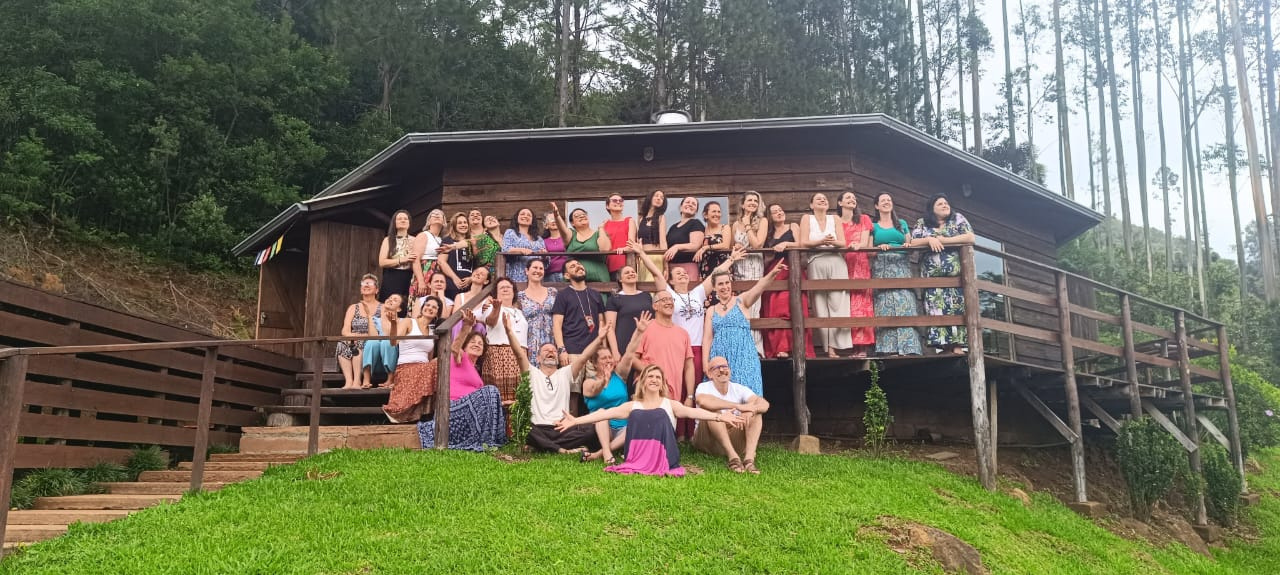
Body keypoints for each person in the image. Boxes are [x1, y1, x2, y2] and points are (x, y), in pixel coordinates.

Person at [554, 364, 743, 477]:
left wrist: (720, 416)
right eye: (650, 376)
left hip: (665, 456)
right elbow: (604, 414)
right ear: (643, 381)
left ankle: (652, 461)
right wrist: (576, 421)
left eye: (658, 377)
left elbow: (694, 412)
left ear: (662, 383)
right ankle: (636, 460)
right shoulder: (633, 405)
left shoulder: (670, 404)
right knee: (636, 414)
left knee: (659, 414)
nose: (654, 380)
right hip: (636, 456)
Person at [637, 244, 741, 440]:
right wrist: (641, 253)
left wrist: (732, 259)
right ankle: (677, 432)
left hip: (698, 346)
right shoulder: (669, 294)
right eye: (678, 273)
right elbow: (656, 273)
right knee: (678, 388)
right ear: (671, 280)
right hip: (677, 346)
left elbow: (714, 275)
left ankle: (693, 431)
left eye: (685, 272)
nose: (683, 274)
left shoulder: (698, 293)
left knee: (694, 389)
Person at [416, 309, 507, 451]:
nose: (477, 344)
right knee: (491, 390)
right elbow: (454, 347)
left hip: (470, 413)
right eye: (473, 342)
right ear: (465, 346)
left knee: (493, 394)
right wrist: (466, 326)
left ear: (483, 350)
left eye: (480, 343)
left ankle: (487, 441)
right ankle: (487, 441)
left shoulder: (476, 373)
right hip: (452, 409)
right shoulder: (460, 357)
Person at [521, 314, 611, 453]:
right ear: (538, 358)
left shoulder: (565, 373)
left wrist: (599, 338)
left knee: (593, 429)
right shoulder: (532, 372)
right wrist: (509, 332)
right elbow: (519, 355)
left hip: (562, 428)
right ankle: (562, 449)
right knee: (526, 429)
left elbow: (583, 357)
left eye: (554, 350)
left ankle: (542, 446)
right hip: (539, 427)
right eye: (546, 350)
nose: (551, 352)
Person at [702, 262, 787, 396]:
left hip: (743, 355)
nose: (725, 287)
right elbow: (707, 338)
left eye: (727, 283)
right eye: (720, 284)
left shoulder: (741, 301)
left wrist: (772, 273)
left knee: (747, 393)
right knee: (721, 396)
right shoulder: (711, 310)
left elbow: (759, 286)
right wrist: (705, 363)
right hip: (719, 357)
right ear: (714, 287)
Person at [582, 311, 650, 465]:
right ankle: (606, 451)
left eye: (609, 357)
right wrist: (603, 381)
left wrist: (639, 331)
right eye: (603, 358)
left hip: (622, 429)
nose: (608, 360)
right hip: (599, 430)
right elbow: (594, 390)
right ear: (594, 363)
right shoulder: (588, 382)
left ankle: (600, 453)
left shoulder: (619, 375)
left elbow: (630, 352)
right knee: (601, 413)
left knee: (636, 422)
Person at [911, 194, 975, 353]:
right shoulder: (922, 223)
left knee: (955, 308)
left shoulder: (957, 219)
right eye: (940, 204)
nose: (945, 205)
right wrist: (929, 240)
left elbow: (970, 237)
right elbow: (913, 241)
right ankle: (943, 347)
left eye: (946, 203)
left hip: (954, 278)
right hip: (932, 278)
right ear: (932, 208)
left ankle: (957, 346)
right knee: (936, 308)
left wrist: (944, 240)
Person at [693, 356, 770, 474]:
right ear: (710, 374)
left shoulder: (739, 388)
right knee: (714, 412)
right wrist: (738, 406)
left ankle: (749, 460)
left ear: (730, 370)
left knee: (756, 414)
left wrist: (751, 410)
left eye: (724, 366)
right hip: (708, 440)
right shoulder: (703, 387)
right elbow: (702, 401)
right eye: (716, 368)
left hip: (733, 436)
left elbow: (764, 404)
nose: (722, 370)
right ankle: (733, 457)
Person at [799, 193, 852, 357]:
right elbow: (803, 242)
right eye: (818, 199)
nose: (822, 200)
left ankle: (839, 344)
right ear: (811, 205)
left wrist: (832, 242)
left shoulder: (834, 219)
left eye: (825, 199)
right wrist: (821, 241)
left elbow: (843, 242)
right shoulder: (807, 219)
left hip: (836, 260)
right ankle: (829, 348)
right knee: (820, 304)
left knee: (838, 302)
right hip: (816, 261)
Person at [871, 192, 923, 356]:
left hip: (902, 266)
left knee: (905, 301)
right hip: (883, 266)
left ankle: (909, 348)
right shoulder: (873, 226)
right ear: (877, 206)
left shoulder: (901, 223)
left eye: (889, 200)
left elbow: (909, 244)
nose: (887, 202)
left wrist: (907, 245)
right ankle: (888, 349)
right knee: (885, 303)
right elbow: (869, 248)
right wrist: (879, 247)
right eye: (883, 200)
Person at [761, 204, 815, 359]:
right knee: (776, 308)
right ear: (770, 217)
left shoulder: (793, 226)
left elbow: (801, 243)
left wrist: (786, 244)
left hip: (792, 269)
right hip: (775, 270)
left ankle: (799, 348)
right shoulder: (769, 234)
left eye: (780, 210)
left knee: (795, 307)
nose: (779, 213)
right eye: (775, 212)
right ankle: (780, 347)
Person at [551, 259, 607, 405]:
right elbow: (557, 324)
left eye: (579, 264)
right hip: (572, 351)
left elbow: (602, 324)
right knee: (572, 395)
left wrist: (604, 350)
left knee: (597, 394)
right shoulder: (563, 295)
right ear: (566, 275)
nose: (578, 267)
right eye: (572, 266)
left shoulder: (595, 294)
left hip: (594, 352)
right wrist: (561, 350)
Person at [381, 296, 442, 423]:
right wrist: (394, 324)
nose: (430, 308)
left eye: (434, 307)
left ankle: (429, 414)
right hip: (406, 367)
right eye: (428, 305)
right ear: (422, 307)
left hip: (424, 369)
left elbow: (429, 357)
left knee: (438, 362)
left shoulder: (432, 332)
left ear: (437, 313)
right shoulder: (409, 322)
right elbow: (393, 342)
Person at [838, 191, 875, 357]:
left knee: (861, 302)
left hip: (859, 262)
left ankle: (862, 347)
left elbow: (864, 242)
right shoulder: (836, 222)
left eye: (854, 198)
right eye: (848, 198)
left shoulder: (863, 219)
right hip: (842, 263)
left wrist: (858, 245)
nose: (852, 199)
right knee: (845, 303)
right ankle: (850, 346)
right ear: (840, 203)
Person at [733, 191, 768, 356]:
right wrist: (736, 247)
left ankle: (755, 349)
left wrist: (748, 225)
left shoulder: (762, 221)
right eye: (750, 200)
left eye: (756, 200)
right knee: (740, 308)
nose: (753, 203)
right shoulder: (735, 224)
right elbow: (733, 246)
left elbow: (757, 244)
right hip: (738, 268)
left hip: (754, 267)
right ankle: (741, 347)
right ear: (742, 204)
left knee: (753, 307)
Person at [605, 241, 654, 357]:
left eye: (633, 272)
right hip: (624, 345)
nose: (631, 274)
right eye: (627, 273)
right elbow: (610, 328)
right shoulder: (614, 298)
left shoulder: (646, 296)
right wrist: (615, 352)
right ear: (620, 279)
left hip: (648, 345)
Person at [482, 278, 526, 403]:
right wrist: (496, 309)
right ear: (496, 293)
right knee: (500, 399)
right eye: (501, 287)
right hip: (500, 355)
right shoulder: (490, 307)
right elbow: (490, 321)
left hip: (521, 355)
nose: (505, 289)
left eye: (508, 287)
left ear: (514, 292)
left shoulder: (519, 312)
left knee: (521, 397)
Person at [337, 274, 379, 389]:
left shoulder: (382, 307)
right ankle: (349, 381)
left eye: (370, 283)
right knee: (342, 343)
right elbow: (345, 330)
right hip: (354, 340)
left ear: (377, 290)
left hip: (372, 342)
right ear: (361, 289)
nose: (366, 285)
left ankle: (357, 381)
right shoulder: (353, 308)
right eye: (363, 284)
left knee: (359, 343)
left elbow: (381, 332)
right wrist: (353, 336)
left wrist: (361, 336)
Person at [552, 203, 611, 283]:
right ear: (572, 223)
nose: (581, 216)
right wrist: (557, 216)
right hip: (574, 280)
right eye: (577, 216)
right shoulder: (571, 235)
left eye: (584, 214)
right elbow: (563, 230)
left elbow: (605, 249)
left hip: (599, 278)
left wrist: (601, 228)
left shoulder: (599, 234)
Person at [377, 210, 416, 316]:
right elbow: (382, 262)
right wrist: (402, 259)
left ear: (409, 222)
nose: (403, 220)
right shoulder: (388, 240)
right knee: (388, 305)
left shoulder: (415, 240)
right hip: (392, 276)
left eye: (405, 219)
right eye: (399, 219)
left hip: (409, 276)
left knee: (406, 306)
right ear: (394, 222)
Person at [361, 293, 402, 387]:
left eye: (395, 300)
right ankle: (366, 379)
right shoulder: (375, 320)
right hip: (375, 362)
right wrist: (370, 316)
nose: (390, 300)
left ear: (399, 309)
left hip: (393, 361)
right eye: (389, 298)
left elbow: (394, 340)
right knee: (372, 342)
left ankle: (390, 379)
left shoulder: (403, 322)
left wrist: (391, 321)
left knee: (387, 342)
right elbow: (373, 336)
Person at [518, 259, 557, 357]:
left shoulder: (552, 292)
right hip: (530, 343)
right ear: (527, 271)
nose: (538, 271)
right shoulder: (520, 296)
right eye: (535, 267)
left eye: (541, 268)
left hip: (551, 341)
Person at [664, 196, 705, 282]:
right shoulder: (673, 227)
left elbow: (695, 245)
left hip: (687, 268)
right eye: (687, 202)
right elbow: (667, 248)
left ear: (696, 211)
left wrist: (677, 247)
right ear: (681, 207)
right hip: (671, 268)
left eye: (693, 204)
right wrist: (666, 266)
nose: (690, 204)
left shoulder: (696, 223)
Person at [411, 209, 446, 303]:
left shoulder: (442, 239)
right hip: (424, 271)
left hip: (438, 274)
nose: (437, 215)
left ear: (444, 222)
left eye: (440, 214)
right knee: (421, 301)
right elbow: (415, 260)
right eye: (433, 214)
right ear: (429, 221)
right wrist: (421, 281)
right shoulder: (424, 235)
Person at [501, 207, 545, 283]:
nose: (525, 216)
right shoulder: (510, 232)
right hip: (516, 274)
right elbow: (505, 249)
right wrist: (521, 250)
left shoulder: (539, 239)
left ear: (532, 221)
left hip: (535, 275)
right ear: (517, 218)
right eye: (522, 214)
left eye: (529, 215)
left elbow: (546, 262)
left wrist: (544, 254)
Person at [438, 212, 474, 299]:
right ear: (454, 225)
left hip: (470, 285)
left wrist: (471, 278)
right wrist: (455, 278)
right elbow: (441, 262)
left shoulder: (472, 242)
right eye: (459, 223)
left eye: (465, 222)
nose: (463, 225)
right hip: (452, 284)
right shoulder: (448, 240)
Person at [601, 193, 636, 280]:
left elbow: (631, 244)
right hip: (607, 265)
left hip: (625, 264)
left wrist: (623, 249)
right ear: (607, 206)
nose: (618, 202)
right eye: (614, 200)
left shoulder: (629, 221)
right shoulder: (605, 224)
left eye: (621, 200)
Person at [635, 190, 668, 283]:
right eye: (656, 196)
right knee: (643, 285)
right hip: (642, 258)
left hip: (656, 257)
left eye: (662, 198)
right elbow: (638, 240)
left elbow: (663, 242)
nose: (659, 198)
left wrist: (666, 266)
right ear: (650, 198)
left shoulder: (661, 217)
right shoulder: (641, 218)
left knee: (653, 285)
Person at [696, 201, 732, 281]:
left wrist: (706, 247)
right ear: (705, 215)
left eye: (719, 212)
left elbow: (725, 245)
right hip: (706, 267)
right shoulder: (702, 230)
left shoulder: (725, 227)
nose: (717, 214)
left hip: (721, 267)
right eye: (714, 211)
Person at [542, 212, 568, 283]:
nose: (554, 221)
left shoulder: (567, 238)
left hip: (566, 273)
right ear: (546, 225)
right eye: (550, 219)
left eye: (555, 219)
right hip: (549, 275)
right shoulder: (543, 241)